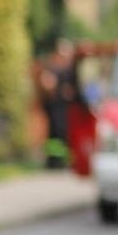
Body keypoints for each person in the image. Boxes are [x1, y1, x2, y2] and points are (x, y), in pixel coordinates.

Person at [39, 40, 76, 169]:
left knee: (62, 135)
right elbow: (47, 83)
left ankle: (60, 160)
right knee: (56, 135)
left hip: (63, 108)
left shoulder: (69, 70)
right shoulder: (53, 68)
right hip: (55, 108)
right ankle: (54, 161)